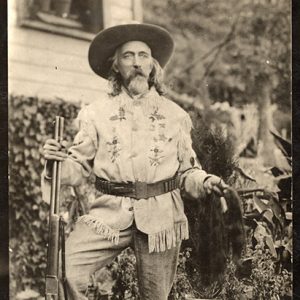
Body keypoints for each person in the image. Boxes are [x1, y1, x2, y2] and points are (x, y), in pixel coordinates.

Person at [42, 23, 228, 300]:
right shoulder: (95, 114)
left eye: (144, 56)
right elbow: (77, 167)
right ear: (115, 65)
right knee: (68, 269)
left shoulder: (175, 115)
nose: (137, 63)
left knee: (155, 295)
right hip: (108, 214)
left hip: (161, 217)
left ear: (153, 66)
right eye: (128, 56)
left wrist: (206, 181)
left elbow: (188, 170)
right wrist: (54, 161)